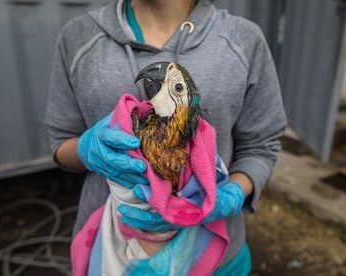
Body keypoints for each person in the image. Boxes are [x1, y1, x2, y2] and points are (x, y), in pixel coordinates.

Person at [45, 0, 287, 274]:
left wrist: (230, 195)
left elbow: (261, 146)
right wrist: (87, 148)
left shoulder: (244, 39)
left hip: (216, 258)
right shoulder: (79, 37)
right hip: (111, 251)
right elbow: (60, 143)